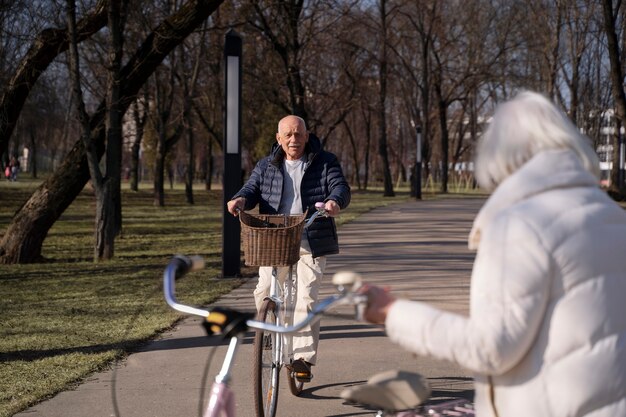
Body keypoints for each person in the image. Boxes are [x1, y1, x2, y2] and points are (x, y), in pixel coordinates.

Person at [361, 91, 626, 417]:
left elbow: (492, 347)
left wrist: (392, 311)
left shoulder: (521, 223)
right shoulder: (614, 216)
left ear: (500, 156)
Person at [227, 115, 350, 381]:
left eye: (298, 134)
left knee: (306, 295)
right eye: (288, 135)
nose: (294, 139)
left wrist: (334, 201)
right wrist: (239, 199)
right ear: (279, 138)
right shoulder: (266, 165)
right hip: (275, 238)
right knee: (264, 292)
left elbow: (340, 187)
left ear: (307, 136)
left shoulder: (325, 161)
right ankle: (270, 333)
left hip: (310, 237)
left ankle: (302, 358)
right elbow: (251, 189)